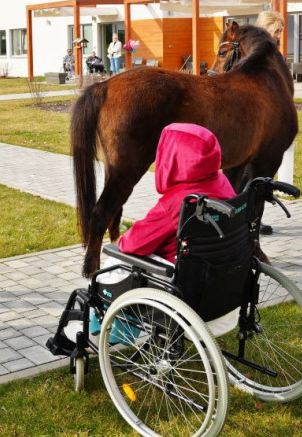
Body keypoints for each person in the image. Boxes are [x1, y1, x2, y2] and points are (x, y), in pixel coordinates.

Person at [96, 123, 240, 338]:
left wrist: (119, 244)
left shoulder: (178, 202)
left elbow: (132, 244)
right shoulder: (222, 184)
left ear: (172, 159)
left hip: (184, 291)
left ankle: (117, 332)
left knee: (113, 263)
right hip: (221, 286)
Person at [252, 10, 286, 236]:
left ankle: (255, 219)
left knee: (263, 176)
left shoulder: (276, 54)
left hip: (271, 121)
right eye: (276, 31)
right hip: (254, 120)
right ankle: (244, 220)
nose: (279, 36)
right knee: (248, 176)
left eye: (280, 32)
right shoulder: (254, 53)